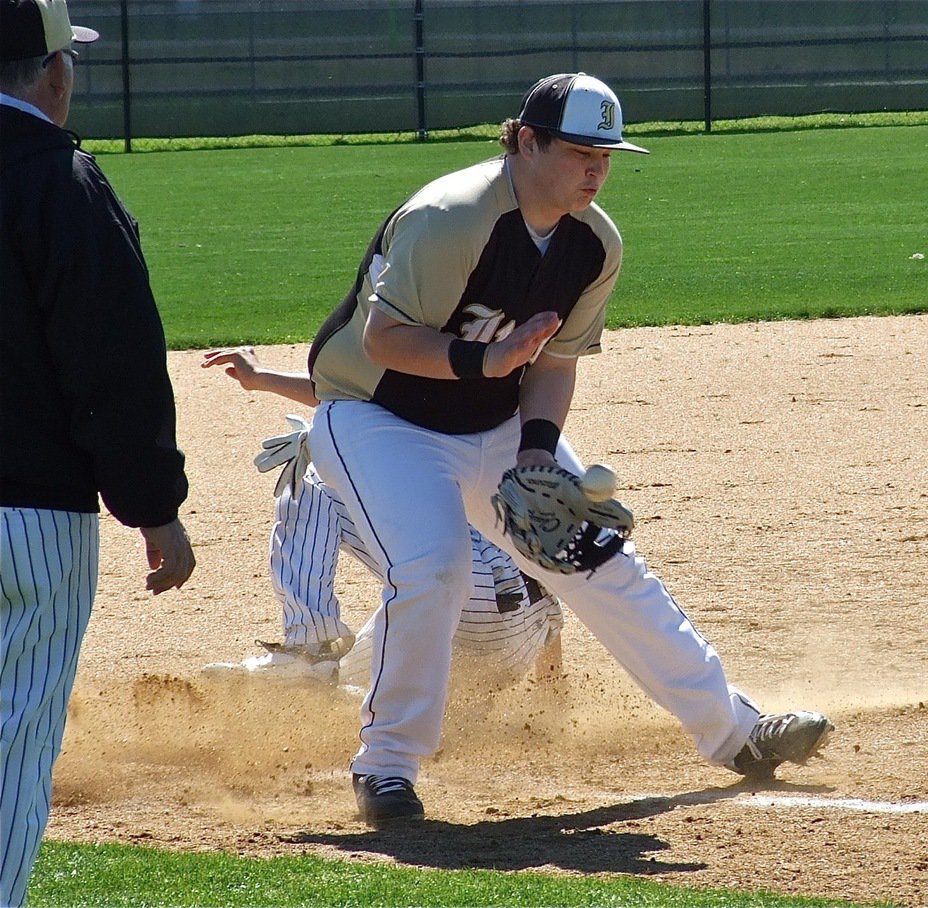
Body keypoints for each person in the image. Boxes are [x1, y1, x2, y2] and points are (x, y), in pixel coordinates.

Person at [305, 71, 833, 826]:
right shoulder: (450, 217)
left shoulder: (594, 244)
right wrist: (487, 362)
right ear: (527, 142)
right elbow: (384, 340)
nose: (597, 168)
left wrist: (537, 452)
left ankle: (738, 734)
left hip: (493, 427)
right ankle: (386, 767)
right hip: (376, 417)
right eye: (581, 150)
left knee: (601, 564)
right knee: (434, 569)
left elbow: (554, 363)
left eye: (607, 154)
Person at [0, 1, 196, 903]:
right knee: (13, 743)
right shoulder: (60, 181)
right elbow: (112, 363)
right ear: (53, 74)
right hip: (32, 522)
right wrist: (154, 506)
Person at [198, 347, 563, 689]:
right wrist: (552, 693)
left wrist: (262, 378)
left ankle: (308, 648)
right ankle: (304, 686)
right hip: (517, 642)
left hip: (469, 597)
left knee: (316, 470)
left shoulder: (443, 371)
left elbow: (355, 397)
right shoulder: (525, 427)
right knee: (333, 686)